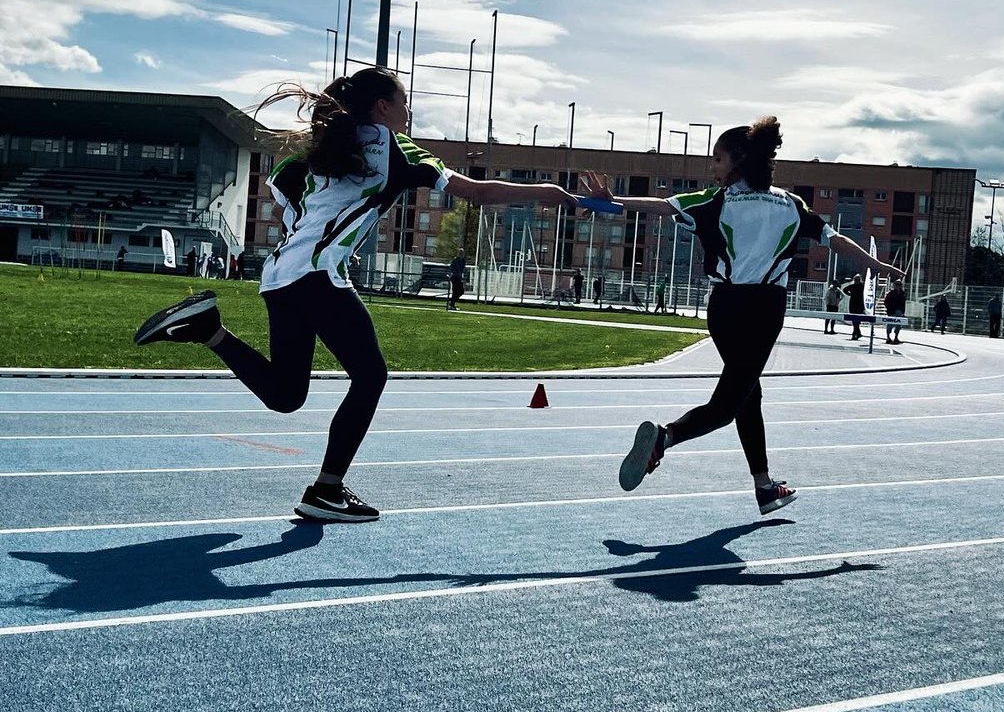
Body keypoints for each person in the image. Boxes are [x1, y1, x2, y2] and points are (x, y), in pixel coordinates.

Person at [133, 67, 576, 523]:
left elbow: (289, 203)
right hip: (319, 276)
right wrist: (549, 192)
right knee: (371, 376)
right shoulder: (396, 148)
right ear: (382, 107)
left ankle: (209, 330)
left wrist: (335, 240)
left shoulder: (316, 153)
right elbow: (476, 193)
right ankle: (327, 489)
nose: (407, 114)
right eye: (403, 104)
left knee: (287, 395)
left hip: (282, 275)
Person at [590, 116, 905, 515]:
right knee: (726, 405)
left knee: (748, 394)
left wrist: (611, 202)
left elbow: (657, 205)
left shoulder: (712, 201)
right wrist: (872, 264)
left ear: (738, 161)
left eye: (717, 158)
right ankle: (665, 438)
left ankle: (764, 487)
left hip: (721, 308)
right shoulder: (791, 204)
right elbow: (835, 240)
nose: (713, 166)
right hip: (763, 310)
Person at [842, 274, 865, 340]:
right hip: (853, 304)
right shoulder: (853, 286)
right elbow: (844, 290)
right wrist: (850, 294)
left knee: (857, 320)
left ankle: (856, 333)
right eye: (855, 280)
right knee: (854, 320)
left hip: (859, 304)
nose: (856, 281)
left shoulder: (862, 286)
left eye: (857, 280)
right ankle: (857, 333)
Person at [883, 280, 906, 344]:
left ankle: (896, 337)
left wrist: (903, 312)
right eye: (897, 285)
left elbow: (903, 303)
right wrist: (889, 309)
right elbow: (886, 302)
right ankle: (888, 338)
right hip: (892, 311)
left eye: (900, 285)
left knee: (898, 325)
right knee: (890, 325)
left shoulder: (902, 293)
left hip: (899, 311)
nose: (898, 286)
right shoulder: (891, 293)